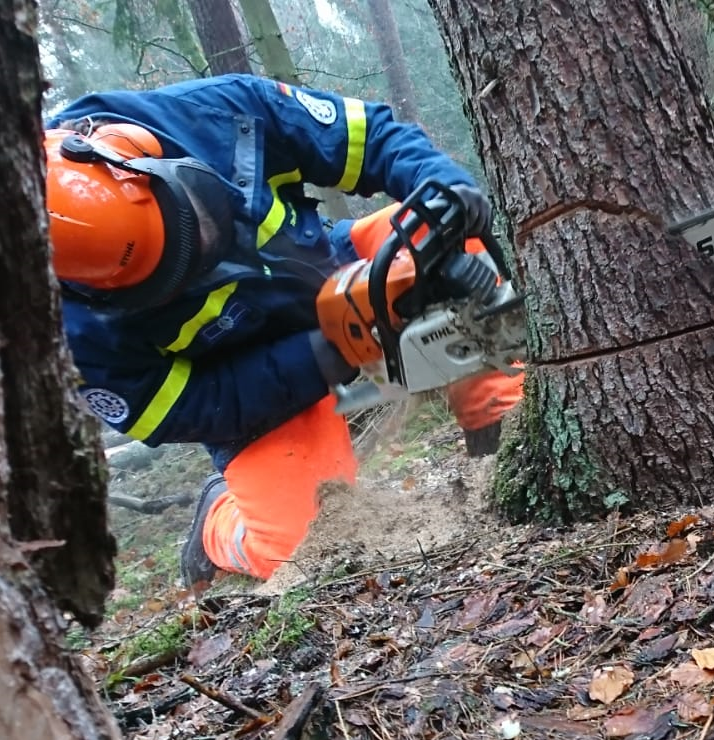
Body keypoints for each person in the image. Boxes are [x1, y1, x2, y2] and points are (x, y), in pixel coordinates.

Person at [43, 74, 523, 586]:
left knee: (437, 231)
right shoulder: (66, 334)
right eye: (168, 273)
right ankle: (216, 522)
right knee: (299, 551)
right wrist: (327, 352)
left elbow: (369, 137)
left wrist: (442, 181)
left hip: (333, 270)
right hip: (256, 396)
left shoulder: (211, 114)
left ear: (136, 156)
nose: (199, 255)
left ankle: (503, 438)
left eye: (195, 224)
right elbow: (184, 407)